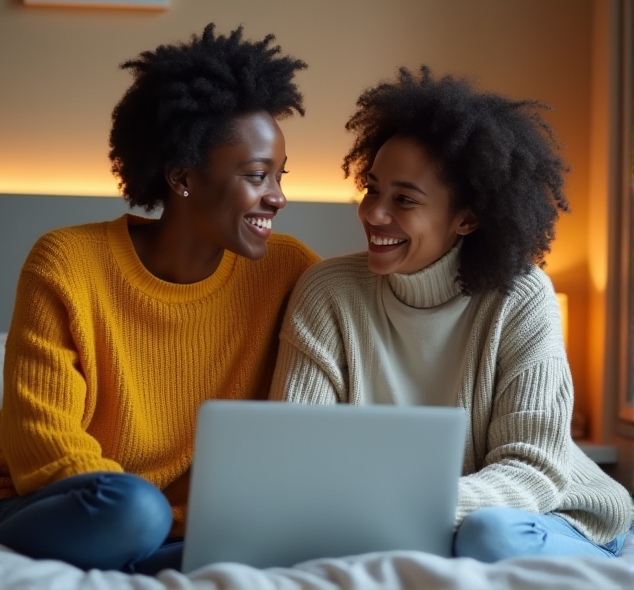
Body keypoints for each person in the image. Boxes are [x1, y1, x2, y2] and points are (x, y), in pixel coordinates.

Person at [0, 24, 319, 574]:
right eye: (256, 175)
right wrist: (160, 522)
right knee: (134, 510)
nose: (279, 196)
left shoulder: (291, 271)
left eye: (280, 175)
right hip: (43, 505)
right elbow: (40, 448)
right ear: (182, 178)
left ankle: (163, 556)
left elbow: (366, 317)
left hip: (180, 528)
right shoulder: (66, 262)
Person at [270, 65, 633, 562]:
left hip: (552, 517)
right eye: (373, 188)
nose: (373, 213)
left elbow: (532, 469)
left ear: (466, 218)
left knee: (487, 537)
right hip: (396, 520)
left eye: (404, 200)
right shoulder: (327, 292)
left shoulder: (522, 297)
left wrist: (404, 508)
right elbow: (293, 454)